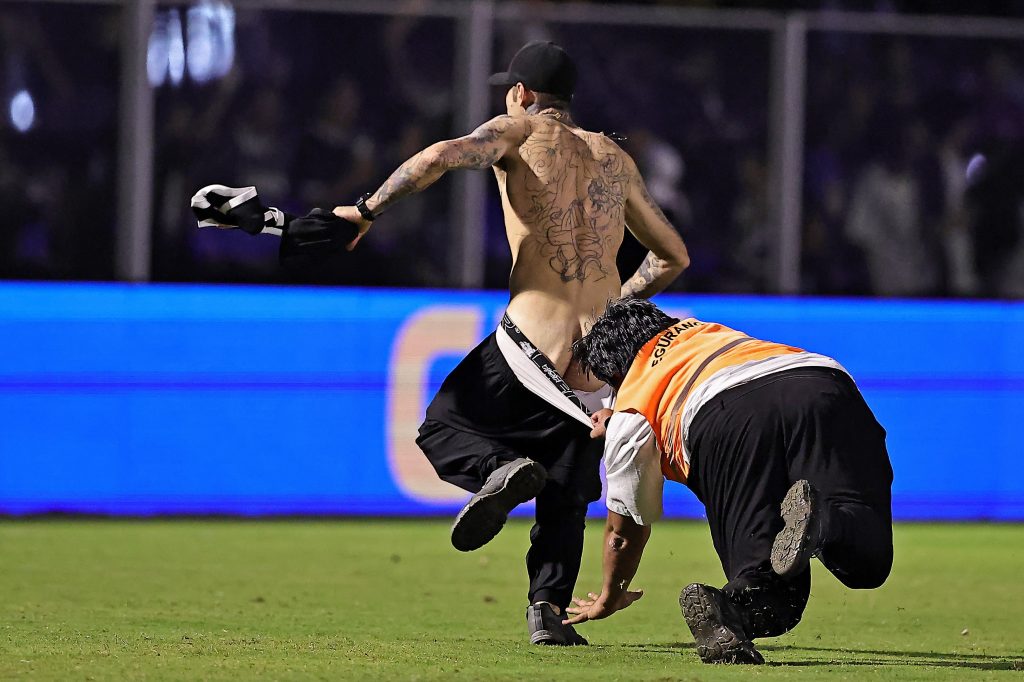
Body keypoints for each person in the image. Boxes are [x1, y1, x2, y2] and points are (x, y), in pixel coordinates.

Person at [203, 41, 690, 645]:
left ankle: (501, 466)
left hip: (531, 344)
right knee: (565, 493)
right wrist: (618, 305)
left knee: (443, 427)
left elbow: (437, 157)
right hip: (598, 367)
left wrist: (365, 209)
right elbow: (674, 256)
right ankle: (548, 611)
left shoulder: (516, 131)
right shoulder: (615, 158)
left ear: (524, 94)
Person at [564, 298, 893, 664]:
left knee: (771, 590)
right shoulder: (703, 331)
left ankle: (726, 612)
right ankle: (823, 523)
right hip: (819, 381)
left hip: (726, 419)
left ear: (613, 374)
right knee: (868, 560)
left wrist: (611, 594)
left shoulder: (629, 410)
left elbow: (625, 531)